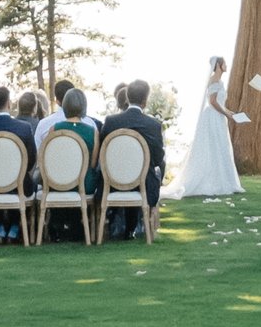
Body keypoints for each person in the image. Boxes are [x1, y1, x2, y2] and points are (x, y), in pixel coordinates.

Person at [166, 55, 243, 199]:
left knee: (220, 147)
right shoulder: (214, 80)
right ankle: (213, 182)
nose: (227, 65)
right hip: (213, 117)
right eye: (224, 63)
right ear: (219, 65)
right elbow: (213, 102)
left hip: (218, 116)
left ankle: (222, 180)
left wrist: (229, 112)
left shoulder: (220, 81)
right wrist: (226, 114)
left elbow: (220, 102)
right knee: (213, 146)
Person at [98, 78, 167, 236]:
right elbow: (157, 158)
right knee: (156, 170)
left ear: (127, 98)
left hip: (111, 183)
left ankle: (118, 220)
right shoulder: (153, 125)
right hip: (142, 184)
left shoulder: (110, 121)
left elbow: (103, 152)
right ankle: (134, 226)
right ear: (145, 101)